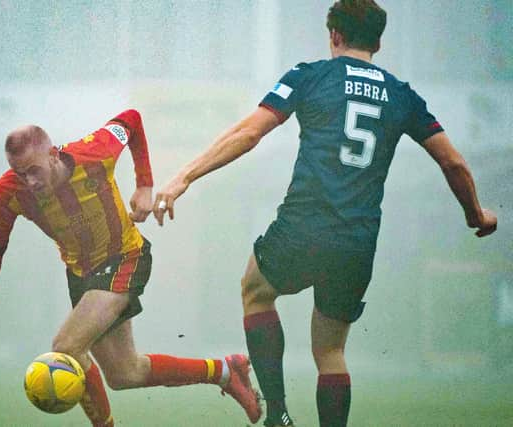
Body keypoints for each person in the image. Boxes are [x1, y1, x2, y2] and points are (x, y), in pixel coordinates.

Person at [152, 1, 498, 426]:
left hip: (304, 222)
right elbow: (454, 163)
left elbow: (249, 132)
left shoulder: (311, 75)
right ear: (378, 41)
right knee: (331, 350)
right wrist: (476, 215)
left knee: (255, 290)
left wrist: (184, 177)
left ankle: (277, 414)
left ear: (334, 34)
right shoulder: (402, 95)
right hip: (357, 240)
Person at [0, 109, 262, 427]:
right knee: (125, 374)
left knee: (66, 346)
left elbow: (133, 119)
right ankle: (224, 371)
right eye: (19, 173)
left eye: (33, 170)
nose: (29, 181)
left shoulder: (95, 150)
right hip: (82, 275)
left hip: (125, 257)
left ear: (53, 154)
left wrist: (144, 185)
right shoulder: (7, 192)